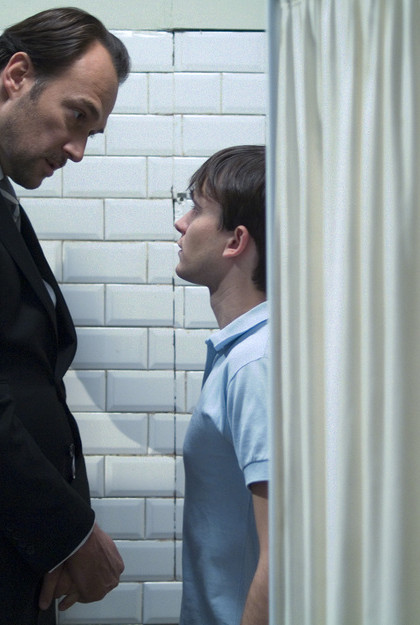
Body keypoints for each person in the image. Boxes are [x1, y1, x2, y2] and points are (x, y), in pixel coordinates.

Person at [0, 8, 130, 624]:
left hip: (11, 558)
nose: (79, 150)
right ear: (17, 75)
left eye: (92, 132)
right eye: (77, 116)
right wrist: (68, 531)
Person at [175, 145, 270, 625]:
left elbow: (284, 557)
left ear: (236, 240)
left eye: (196, 208)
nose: (181, 223)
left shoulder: (256, 363)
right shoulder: (245, 354)